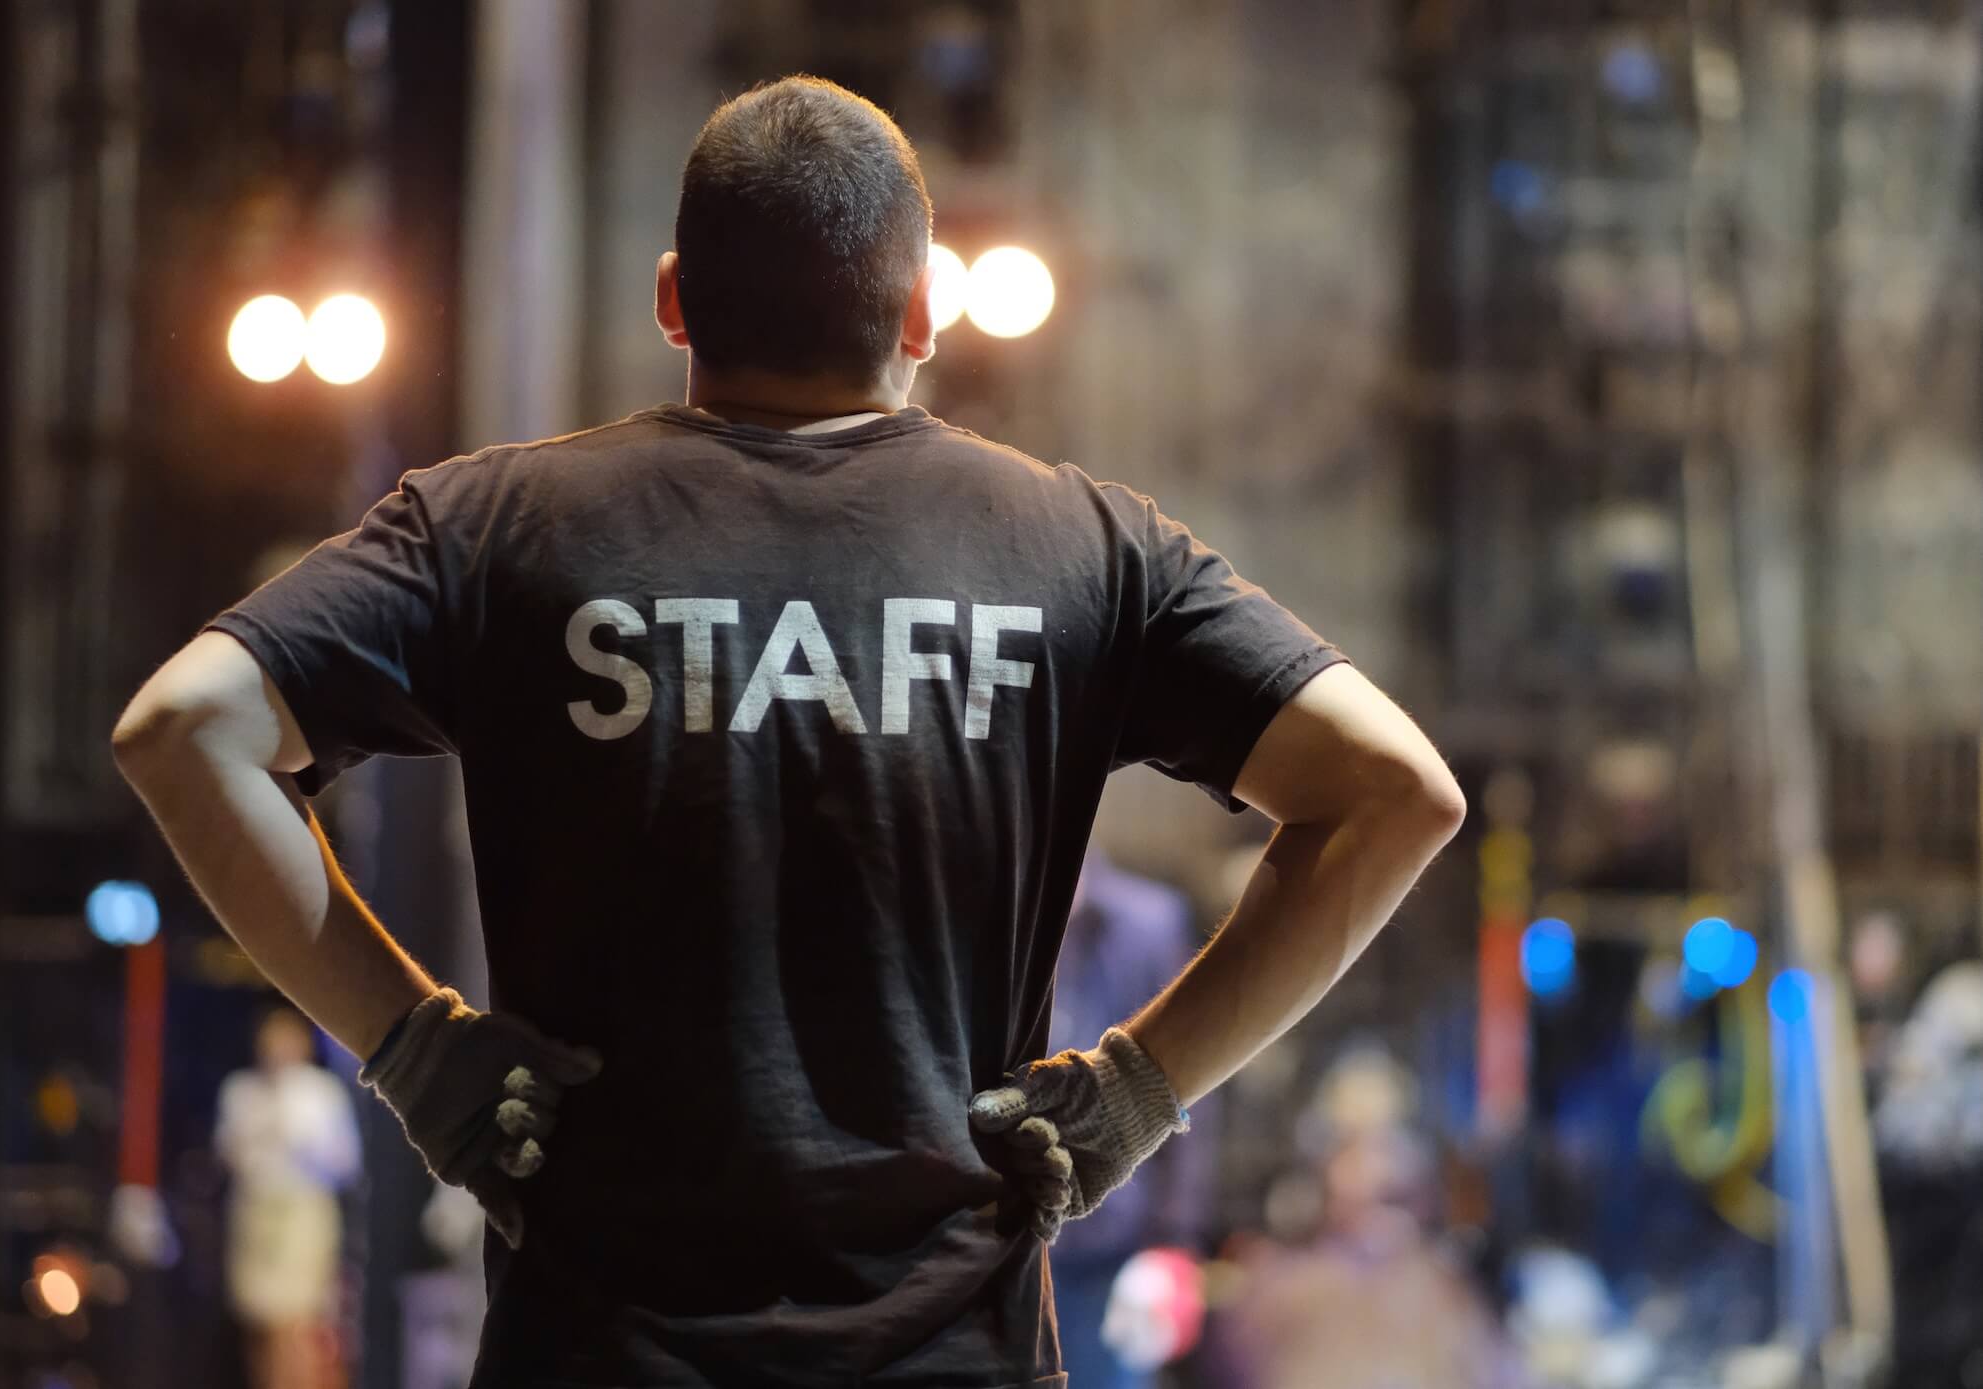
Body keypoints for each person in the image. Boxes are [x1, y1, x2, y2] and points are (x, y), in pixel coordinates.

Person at [113, 75, 1464, 1387]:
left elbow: (182, 727)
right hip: (951, 1352)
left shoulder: (492, 528)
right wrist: (1139, 1088)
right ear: (926, 312)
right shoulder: (1082, 547)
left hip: (599, 1352)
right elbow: (1395, 791)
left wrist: (412, 1047)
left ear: (670, 302)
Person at [1046, 853, 1217, 1387]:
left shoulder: (1148, 921)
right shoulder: (992, 911)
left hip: (1114, 1248)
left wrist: (1176, 1239)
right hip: (1007, 1238)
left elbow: (1193, 1086)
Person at [214, 1005, 363, 1389]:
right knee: (260, 1321)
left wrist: (301, 1142)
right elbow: (229, 1152)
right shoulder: (241, 1090)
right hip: (255, 1214)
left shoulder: (321, 1092)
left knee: (297, 1320)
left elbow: (345, 1162)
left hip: (303, 1212)